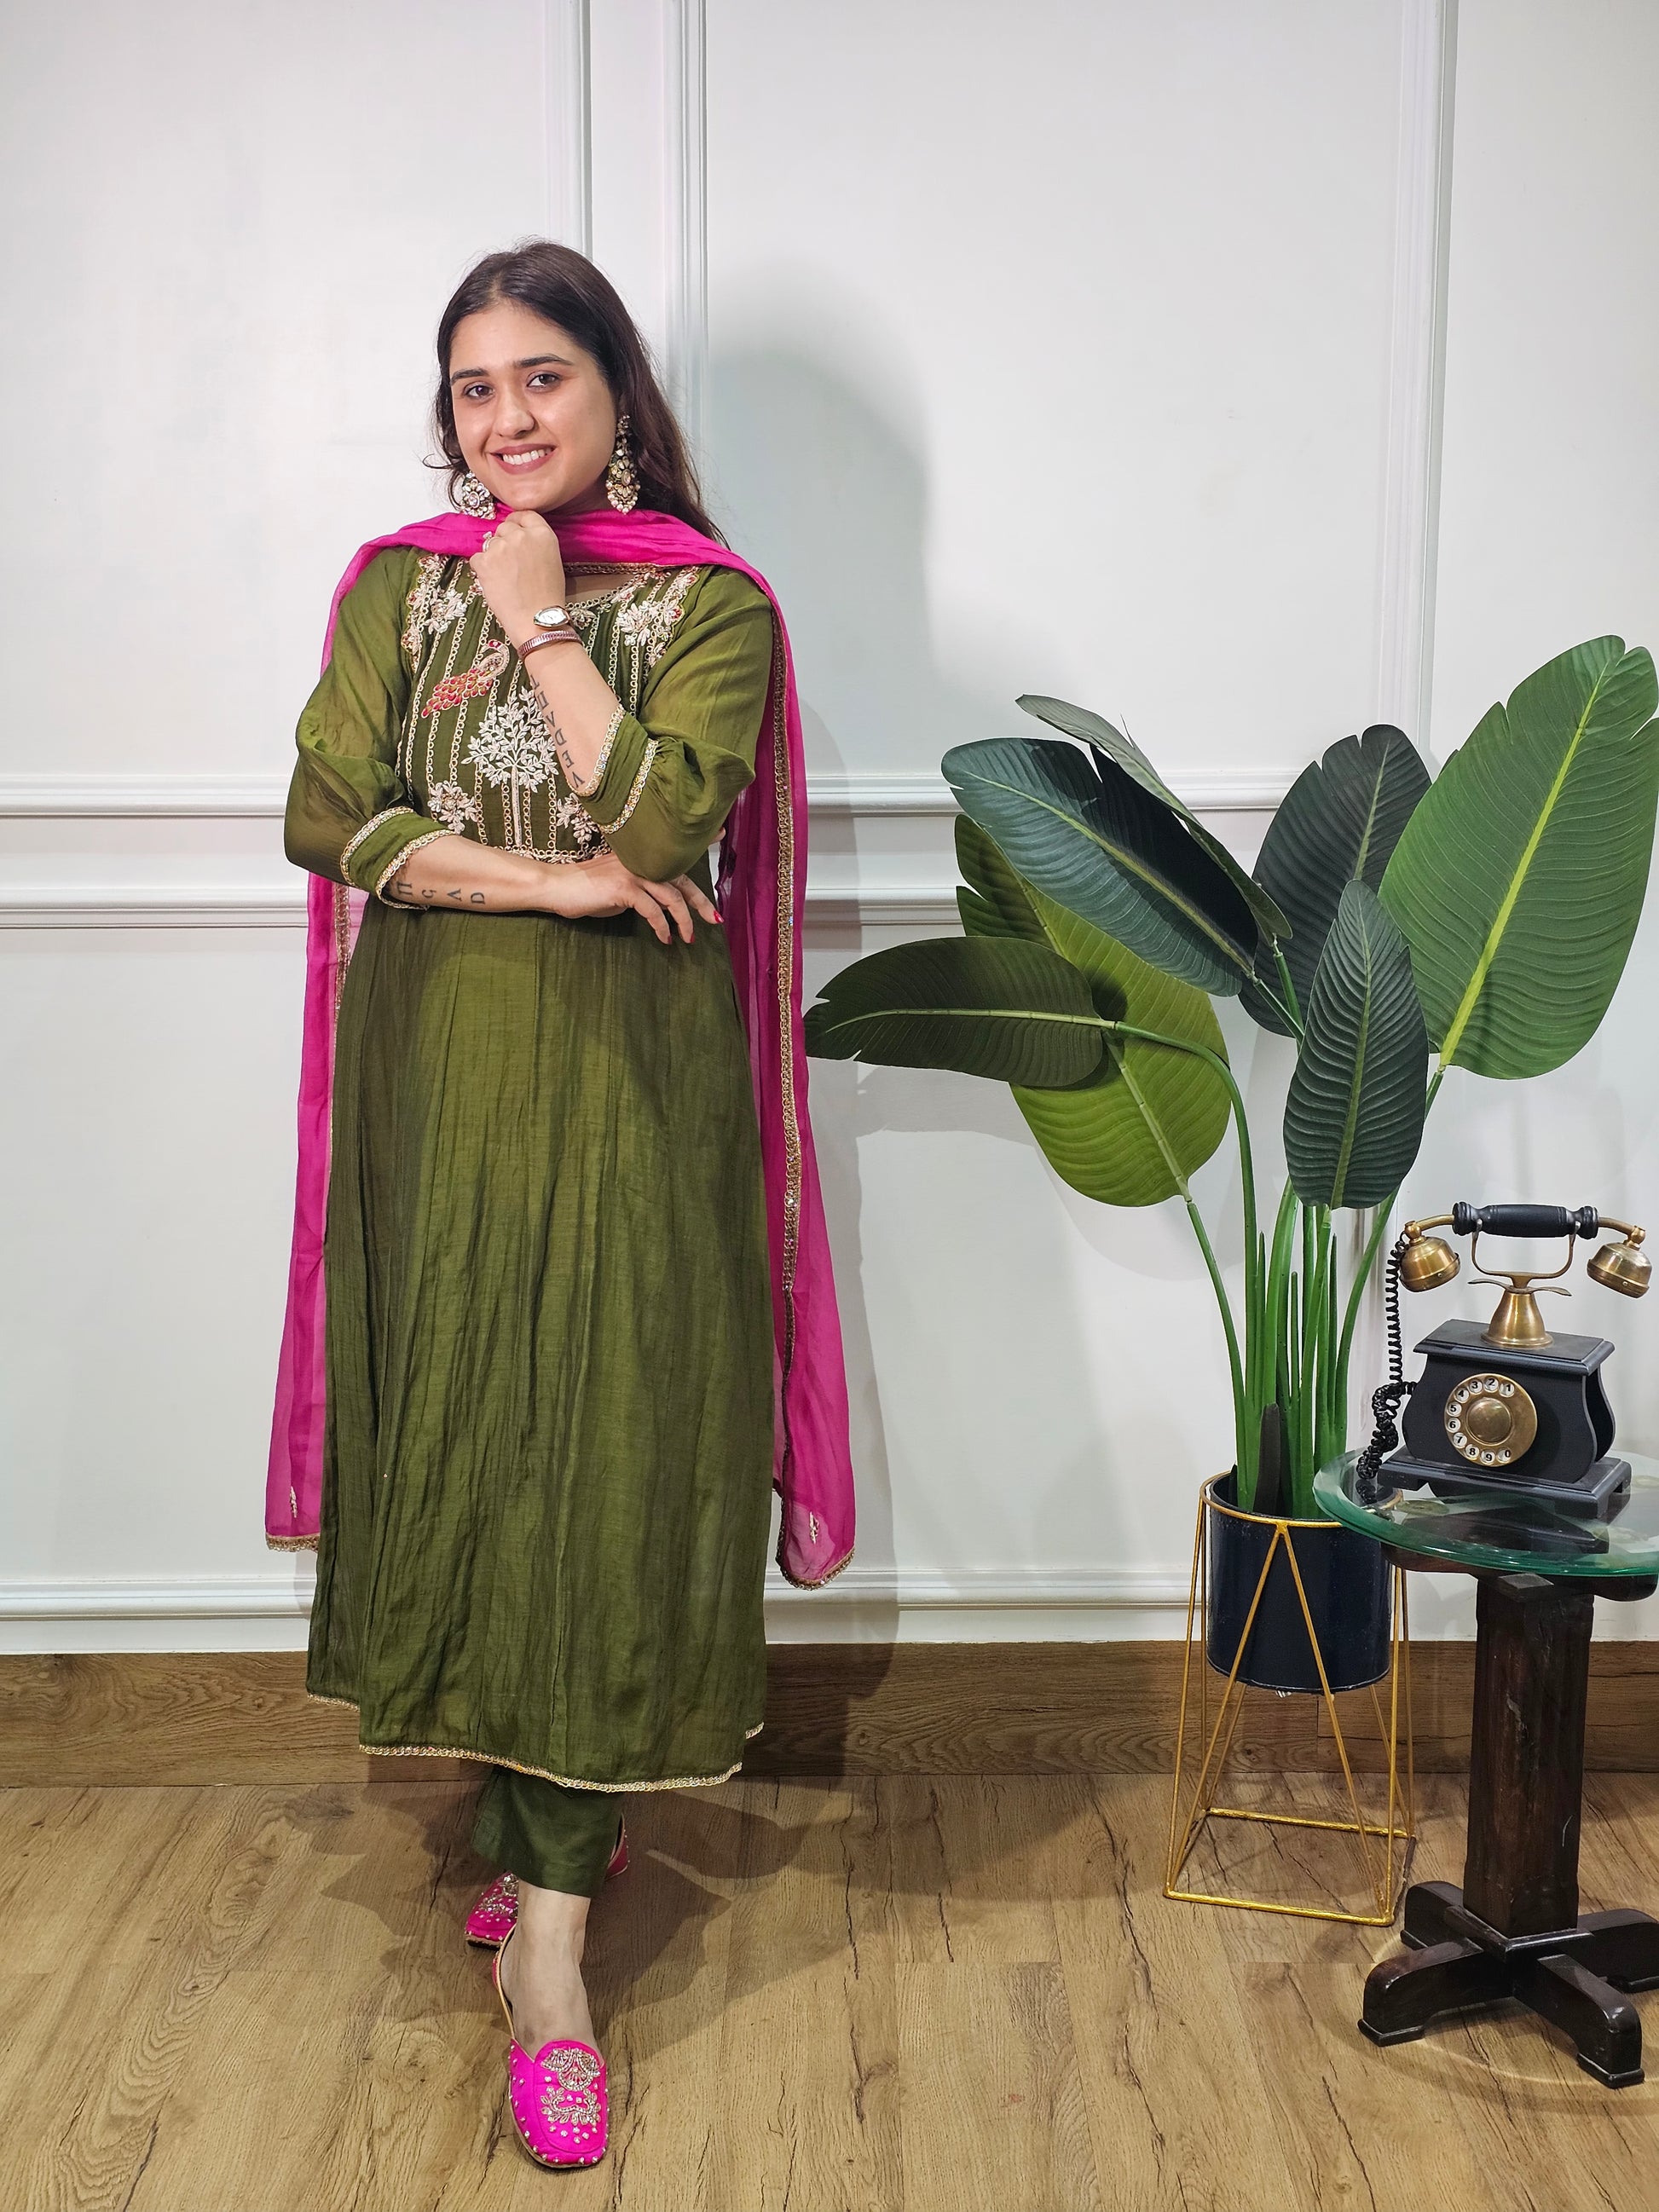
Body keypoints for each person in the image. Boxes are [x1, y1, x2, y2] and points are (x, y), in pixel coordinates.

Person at [269, 240, 854, 2172]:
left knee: (608, 1453)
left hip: (629, 1096)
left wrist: (538, 627)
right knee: (471, 1430)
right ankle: (529, 1844)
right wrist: (556, 885)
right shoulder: (392, 585)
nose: (505, 418)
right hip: (437, 1083)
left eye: (544, 379)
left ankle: (553, 1952)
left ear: (616, 398)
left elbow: (670, 820)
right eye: (474, 386)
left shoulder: (709, 606)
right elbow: (323, 812)